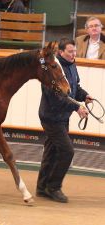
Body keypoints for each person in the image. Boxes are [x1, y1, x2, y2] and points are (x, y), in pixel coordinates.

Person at [36, 38, 93, 203]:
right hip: (52, 118)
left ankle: (42, 187)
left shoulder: (71, 65)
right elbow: (57, 96)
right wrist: (76, 107)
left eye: (75, 51)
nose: (74, 54)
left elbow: (75, 87)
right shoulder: (52, 69)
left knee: (51, 150)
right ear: (60, 52)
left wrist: (85, 96)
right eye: (70, 51)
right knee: (67, 151)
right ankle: (53, 187)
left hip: (61, 117)